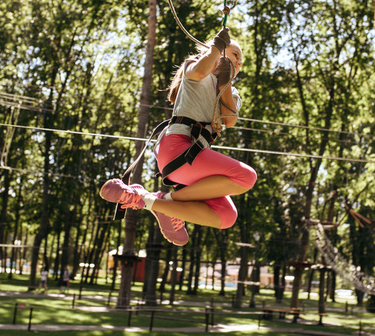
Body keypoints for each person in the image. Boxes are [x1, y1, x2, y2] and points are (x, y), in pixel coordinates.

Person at [100, 27, 257, 246]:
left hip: (193, 161)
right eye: (235, 55)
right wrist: (215, 48)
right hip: (178, 148)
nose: (239, 63)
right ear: (218, 51)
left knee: (227, 216)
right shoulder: (193, 68)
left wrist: (225, 82)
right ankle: (164, 201)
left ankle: (154, 203)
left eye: (242, 62)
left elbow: (229, 120)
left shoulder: (231, 92)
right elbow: (202, 70)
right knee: (246, 177)